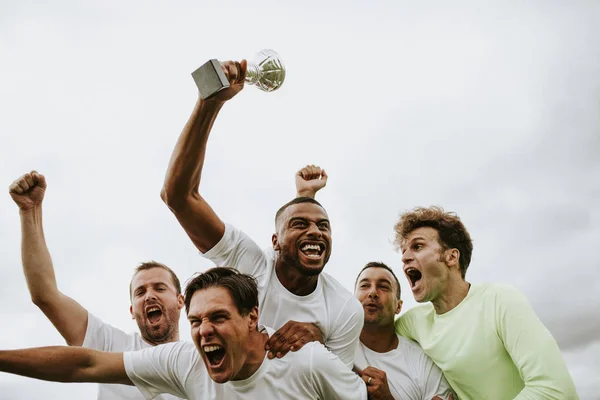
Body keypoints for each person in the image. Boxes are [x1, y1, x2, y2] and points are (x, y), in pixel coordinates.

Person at [160, 60, 363, 367]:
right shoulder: (250, 265)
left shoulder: (344, 308)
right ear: (274, 242)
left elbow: (338, 388)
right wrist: (209, 102)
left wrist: (317, 342)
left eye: (324, 226)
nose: (316, 231)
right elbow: (178, 195)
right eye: (301, 224)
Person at [0, 267, 368, 400]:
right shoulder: (184, 362)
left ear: (252, 317)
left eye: (219, 317)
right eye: (196, 321)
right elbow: (85, 364)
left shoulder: (308, 362)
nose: (205, 330)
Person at [8, 170, 185, 400]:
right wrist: (29, 211)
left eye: (159, 288)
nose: (149, 296)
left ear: (181, 300)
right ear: (132, 311)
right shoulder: (111, 344)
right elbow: (45, 295)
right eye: (140, 292)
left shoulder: (204, 365)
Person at [393, 206, 579, 399]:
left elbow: (555, 389)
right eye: (404, 251)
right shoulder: (413, 323)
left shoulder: (499, 300)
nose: (405, 258)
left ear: (451, 257)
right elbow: (373, 334)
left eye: (417, 246)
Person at [354, 262, 455, 400]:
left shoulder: (422, 361)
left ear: (398, 306)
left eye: (383, 286)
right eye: (365, 285)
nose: (372, 293)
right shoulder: (334, 345)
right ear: (352, 300)